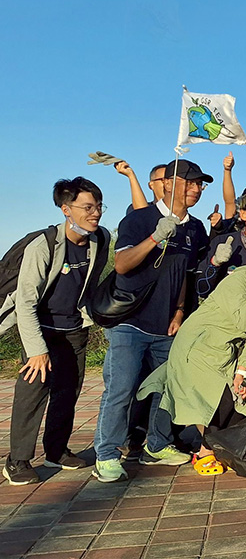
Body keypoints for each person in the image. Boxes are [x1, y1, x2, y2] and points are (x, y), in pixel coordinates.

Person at [136, 236, 246, 476]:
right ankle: (203, 452)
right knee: (218, 399)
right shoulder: (241, 279)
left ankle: (200, 446)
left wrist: (242, 371)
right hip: (198, 344)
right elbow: (243, 322)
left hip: (224, 350)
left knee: (235, 397)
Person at [93, 159, 211, 483]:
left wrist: (179, 311)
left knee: (167, 388)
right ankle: (106, 454)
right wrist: (155, 238)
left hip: (167, 325)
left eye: (200, 184)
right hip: (130, 321)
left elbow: (185, 273)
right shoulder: (140, 218)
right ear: (168, 183)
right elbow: (121, 264)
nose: (197, 189)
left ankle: (157, 445)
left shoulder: (195, 228)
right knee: (121, 389)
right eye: (191, 182)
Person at [3, 178, 111, 485]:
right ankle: (18, 460)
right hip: (41, 330)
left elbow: (89, 285)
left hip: (74, 330)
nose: (96, 213)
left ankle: (56, 450)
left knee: (67, 392)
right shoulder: (44, 246)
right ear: (66, 209)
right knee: (32, 394)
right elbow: (25, 302)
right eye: (87, 207)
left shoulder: (99, 239)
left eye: (99, 206)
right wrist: (36, 349)